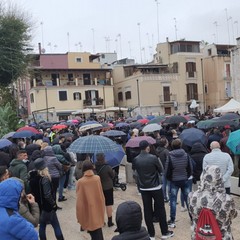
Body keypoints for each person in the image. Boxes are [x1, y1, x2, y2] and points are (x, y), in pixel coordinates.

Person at [132, 140, 174, 240]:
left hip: (143, 187)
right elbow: (161, 170)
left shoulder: (136, 159)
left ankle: (151, 234)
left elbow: (135, 172)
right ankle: (164, 232)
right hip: (155, 186)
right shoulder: (153, 158)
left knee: (147, 210)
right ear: (147, 147)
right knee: (160, 209)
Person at [188, 165, 238, 240]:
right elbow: (233, 215)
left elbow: (192, 214)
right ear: (219, 178)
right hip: (222, 236)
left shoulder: (192, 196)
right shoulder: (227, 199)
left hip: (199, 236)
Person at [31, 158, 64, 240]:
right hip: (47, 208)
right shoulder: (44, 179)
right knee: (56, 225)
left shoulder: (33, 178)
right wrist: (53, 204)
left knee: (42, 226)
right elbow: (47, 195)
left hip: (39, 207)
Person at [165, 139, 193, 228]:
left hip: (174, 180)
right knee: (188, 200)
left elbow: (167, 170)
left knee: (173, 201)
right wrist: (187, 176)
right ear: (180, 145)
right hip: (185, 179)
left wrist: (170, 179)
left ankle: (172, 220)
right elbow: (190, 168)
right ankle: (192, 218)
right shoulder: (186, 155)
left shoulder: (170, 156)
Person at [76, 159, 105, 240]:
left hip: (87, 212)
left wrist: (79, 217)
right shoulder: (97, 179)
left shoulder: (80, 182)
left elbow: (80, 202)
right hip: (98, 210)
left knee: (94, 234)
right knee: (98, 233)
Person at [95, 153, 115, 227]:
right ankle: (110, 221)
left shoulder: (94, 167)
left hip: (99, 188)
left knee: (100, 205)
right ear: (104, 158)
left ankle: (101, 221)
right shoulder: (107, 167)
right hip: (108, 187)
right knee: (108, 204)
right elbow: (112, 176)